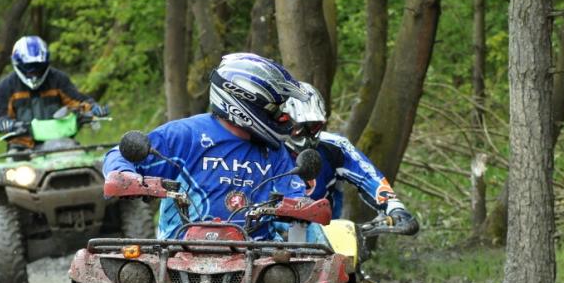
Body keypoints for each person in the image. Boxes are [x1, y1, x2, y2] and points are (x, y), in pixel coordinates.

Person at [103, 53, 310, 241]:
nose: (282, 117)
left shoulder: (275, 151)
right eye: (274, 109)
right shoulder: (186, 135)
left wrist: (303, 207)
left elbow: (295, 200)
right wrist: (124, 174)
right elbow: (120, 155)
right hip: (178, 255)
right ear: (246, 98)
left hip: (258, 260)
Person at [282, 82, 419, 235]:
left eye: (313, 126)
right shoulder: (266, 148)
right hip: (267, 233)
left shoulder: (334, 146)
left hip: (323, 235)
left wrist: (395, 208)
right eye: (299, 127)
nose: (306, 134)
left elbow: (367, 175)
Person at [0, 36, 108, 148]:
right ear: (17, 64)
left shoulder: (58, 79)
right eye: (29, 67)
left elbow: (78, 101)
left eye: (38, 66)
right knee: (16, 162)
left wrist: (93, 108)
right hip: (21, 147)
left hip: (60, 142)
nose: (34, 72)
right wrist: (6, 124)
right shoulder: (6, 86)